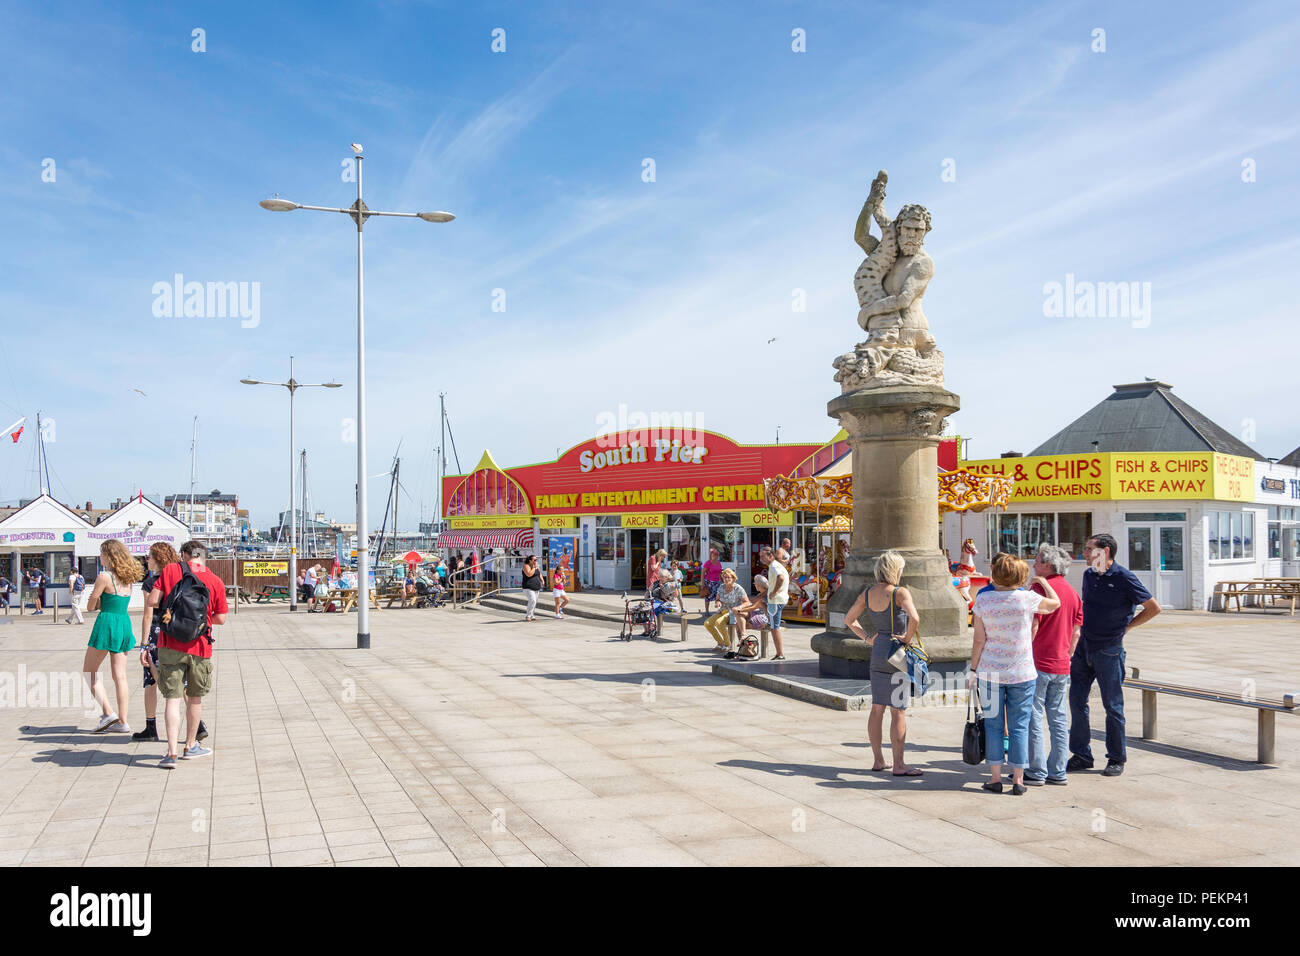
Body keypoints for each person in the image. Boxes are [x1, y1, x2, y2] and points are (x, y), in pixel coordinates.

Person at [1068, 533, 1161, 778]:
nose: (1085, 554)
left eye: (1089, 549)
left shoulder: (1124, 577)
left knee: (1113, 706)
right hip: (1083, 649)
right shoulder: (1089, 576)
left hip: (1109, 650)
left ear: (1105, 551)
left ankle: (1116, 758)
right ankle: (1081, 754)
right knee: (1077, 702)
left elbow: (1153, 608)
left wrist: (1127, 627)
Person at [970, 553, 1061, 795]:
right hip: (1022, 672)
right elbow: (1055, 604)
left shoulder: (984, 600)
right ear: (1020, 576)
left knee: (993, 725)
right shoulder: (1027, 598)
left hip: (990, 672)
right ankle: (1019, 780)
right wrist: (1043, 582)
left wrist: (972, 669)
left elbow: (979, 640)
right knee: (1020, 726)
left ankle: (996, 777)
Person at [148, 540, 228, 769]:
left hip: (170, 644)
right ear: (204, 556)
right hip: (200, 647)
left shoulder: (171, 570)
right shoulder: (215, 580)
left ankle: (171, 753)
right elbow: (221, 618)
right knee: (194, 699)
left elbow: (153, 601)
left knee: (172, 699)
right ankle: (190, 746)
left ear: (184, 555)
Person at [844, 551, 923, 775]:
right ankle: (899, 764)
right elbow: (915, 619)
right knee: (898, 711)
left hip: (878, 652)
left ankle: (879, 760)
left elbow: (849, 620)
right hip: (897, 653)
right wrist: (907, 638)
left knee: (877, 707)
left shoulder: (867, 593)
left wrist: (868, 638)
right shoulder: (900, 592)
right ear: (896, 570)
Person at [134, 542, 207, 743]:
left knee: (151, 680)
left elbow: (148, 615)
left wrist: (144, 644)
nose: (146, 560)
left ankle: (151, 727)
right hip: (176, 630)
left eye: (149, 556)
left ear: (157, 559)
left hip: (158, 632)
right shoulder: (179, 577)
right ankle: (197, 723)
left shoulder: (152, 583)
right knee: (180, 681)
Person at [1024, 544, 1081, 786]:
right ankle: (1058, 769)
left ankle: (1036, 770)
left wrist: (1023, 651)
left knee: (1034, 716)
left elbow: (1033, 625)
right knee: (1058, 717)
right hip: (1061, 662)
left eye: (1037, 560)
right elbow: (1076, 631)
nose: (1033, 564)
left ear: (1048, 565)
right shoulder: (1071, 592)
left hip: (1038, 659)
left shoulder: (1039, 588)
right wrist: (1067, 655)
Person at [83, 539, 144, 734]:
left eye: (101, 554)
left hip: (106, 623)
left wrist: (97, 600)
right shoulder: (128, 577)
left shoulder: (104, 577)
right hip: (123, 623)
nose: (100, 557)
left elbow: (90, 607)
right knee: (120, 677)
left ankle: (108, 712)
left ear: (109, 555)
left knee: (89, 671)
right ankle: (123, 721)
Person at [704, 568, 748, 654]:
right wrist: (718, 603)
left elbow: (747, 602)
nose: (726, 579)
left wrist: (739, 607)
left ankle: (728, 644)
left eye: (728, 577)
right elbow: (717, 599)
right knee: (707, 623)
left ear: (733, 578)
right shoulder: (721, 587)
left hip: (732, 612)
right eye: (725, 577)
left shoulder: (738, 588)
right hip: (722, 611)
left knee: (719, 622)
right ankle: (720, 643)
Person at [762, 546, 790, 660]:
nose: (760, 558)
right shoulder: (777, 565)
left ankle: (780, 654)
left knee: (774, 627)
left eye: (762, 556)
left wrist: (774, 592)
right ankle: (779, 653)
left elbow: (781, 578)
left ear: (770, 556)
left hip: (776, 600)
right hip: (780, 599)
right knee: (774, 626)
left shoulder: (773, 565)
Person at [521, 555, 542, 621]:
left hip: (536, 587)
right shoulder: (526, 566)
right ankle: (528, 616)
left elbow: (539, 573)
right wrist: (534, 568)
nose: (536, 561)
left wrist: (542, 580)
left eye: (536, 560)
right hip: (528, 587)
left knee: (534, 602)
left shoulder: (536, 567)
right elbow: (529, 574)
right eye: (534, 560)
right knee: (532, 600)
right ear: (530, 560)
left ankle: (532, 615)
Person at [552, 554, 570, 619]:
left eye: (563, 570)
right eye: (561, 570)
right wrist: (561, 579)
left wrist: (564, 578)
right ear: (558, 570)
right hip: (556, 590)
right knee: (557, 602)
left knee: (567, 600)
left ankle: (560, 608)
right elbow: (556, 583)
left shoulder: (561, 575)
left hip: (561, 590)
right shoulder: (555, 576)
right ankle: (557, 614)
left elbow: (564, 583)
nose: (563, 571)